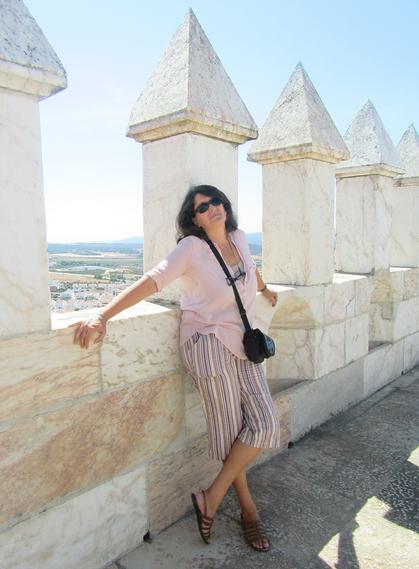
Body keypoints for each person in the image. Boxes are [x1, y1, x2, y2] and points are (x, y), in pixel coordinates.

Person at [71, 185, 280, 552]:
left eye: (216, 201)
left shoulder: (240, 237)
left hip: (243, 343)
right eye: (202, 207)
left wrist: (264, 289)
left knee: (264, 424)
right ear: (194, 218)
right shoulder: (191, 249)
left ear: (225, 206)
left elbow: (249, 270)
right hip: (207, 345)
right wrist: (103, 315)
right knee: (233, 433)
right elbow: (153, 280)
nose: (212, 208)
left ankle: (211, 498)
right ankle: (248, 510)